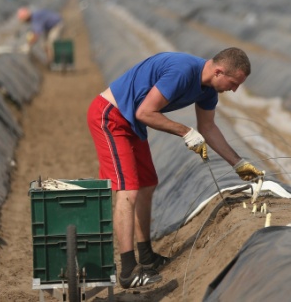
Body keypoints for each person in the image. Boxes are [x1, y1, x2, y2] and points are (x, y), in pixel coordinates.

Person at [86, 47, 265, 289]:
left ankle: (146, 256)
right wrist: (185, 131)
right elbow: (145, 112)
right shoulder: (182, 71)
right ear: (219, 71)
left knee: (148, 184)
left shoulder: (208, 91)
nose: (234, 90)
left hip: (131, 124)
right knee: (128, 190)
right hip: (111, 117)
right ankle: (128, 270)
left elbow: (208, 127)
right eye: (233, 83)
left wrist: (238, 163)